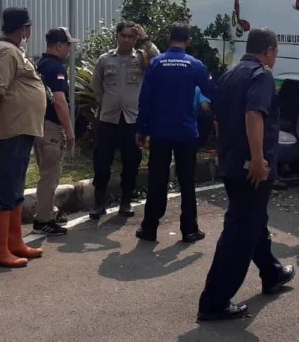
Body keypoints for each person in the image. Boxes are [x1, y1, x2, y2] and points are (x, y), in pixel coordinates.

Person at [197, 28, 295, 322]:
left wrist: (226, 152)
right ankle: (214, 301)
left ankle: (271, 272)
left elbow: (217, 118)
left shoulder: (229, 76)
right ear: (268, 51)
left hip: (231, 163)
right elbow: (254, 114)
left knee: (253, 221)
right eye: (276, 53)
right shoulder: (261, 75)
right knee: (239, 232)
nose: (275, 58)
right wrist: (257, 158)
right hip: (251, 168)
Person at [135, 23, 217, 243]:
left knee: (157, 180)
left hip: (160, 132)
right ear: (188, 41)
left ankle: (150, 229)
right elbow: (212, 92)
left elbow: (145, 99)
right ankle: (189, 230)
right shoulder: (195, 65)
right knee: (187, 182)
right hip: (186, 132)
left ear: (169, 38)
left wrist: (142, 129)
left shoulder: (156, 63)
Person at [0, 7, 46, 268]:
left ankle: (14, 243)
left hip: (20, 128)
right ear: (23, 29)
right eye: (28, 28)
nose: (29, 33)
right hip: (12, 130)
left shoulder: (11, 50)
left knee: (16, 189)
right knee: (7, 190)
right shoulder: (8, 52)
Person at [89, 22, 159, 219]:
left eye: (131, 36)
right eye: (123, 35)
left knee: (131, 163)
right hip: (108, 119)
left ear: (135, 39)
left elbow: (158, 58)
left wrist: (145, 39)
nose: (126, 39)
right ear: (117, 36)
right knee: (102, 162)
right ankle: (98, 203)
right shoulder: (105, 59)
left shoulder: (142, 58)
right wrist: (104, 102)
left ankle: (126, 201)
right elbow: (96, 84)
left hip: (132, 120)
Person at [33, 27, 78, 236]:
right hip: (51, 128)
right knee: (50, 177)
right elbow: (60, 103)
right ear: (59, 45)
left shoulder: (40, 64)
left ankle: (48, 212)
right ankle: (43, 221)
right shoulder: (56, 68)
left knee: (46, 174)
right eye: (68, 45)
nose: (70, 50)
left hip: (38, 126)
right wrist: (69, 131)